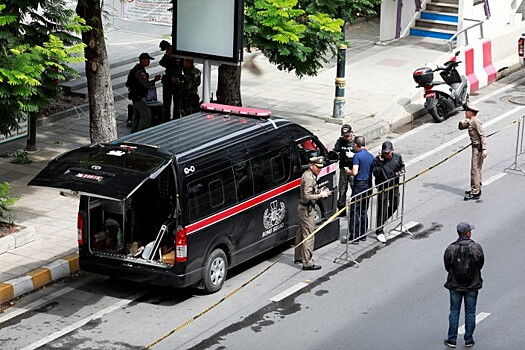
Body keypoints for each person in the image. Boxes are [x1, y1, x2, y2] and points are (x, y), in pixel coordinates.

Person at [443, 222, 484, 348]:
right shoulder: (476, 247)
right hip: (472, 285)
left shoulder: (451, 248)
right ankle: (469, 339)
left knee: (454, 312)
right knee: (470, 312)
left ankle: (452, 339)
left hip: (455, 285)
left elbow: (447, 265)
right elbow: (480, 264)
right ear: (468, 233)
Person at [294, 156, 331, 270]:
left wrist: (320, 191)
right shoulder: (309, 177)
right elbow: (307, 195)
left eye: (320, 167)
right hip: (307, 209)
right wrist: (321, 195)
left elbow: (309, 191)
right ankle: (307, 263)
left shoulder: (308, 174)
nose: (319, 169)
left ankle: (299, 256)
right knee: (309, 235)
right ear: (311, 165)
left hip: (303, 208)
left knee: (301, 233)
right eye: (317, 167)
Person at [372, 141, 405, 243]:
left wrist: (401, 171)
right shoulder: (377, 160)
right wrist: (381, 162)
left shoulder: (397, 157)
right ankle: (379, 230)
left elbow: (402, 166)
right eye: (384, 153)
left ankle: (383, 220)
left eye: (388, 153)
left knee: (395, 203)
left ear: (392, 151)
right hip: (383, 187)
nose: (386, 155)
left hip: (394, 185)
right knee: (382, 208)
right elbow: (375, 173)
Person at [345, 136, 374, 243]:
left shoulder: (357, 156)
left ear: (356, 145)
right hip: (368, 185)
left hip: (359, 185)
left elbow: (355, 172)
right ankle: (363, 234)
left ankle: (354, 235)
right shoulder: (371, 156)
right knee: (363, 210)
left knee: (354, 210)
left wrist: (348, 171)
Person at [458, 104, 487, 201]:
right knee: (477, 169)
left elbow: (482, 135)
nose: (465, 113)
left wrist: (484, 149)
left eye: (467, 111)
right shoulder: (472, 121)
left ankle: (475, 191)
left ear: (471, 112)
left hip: (478, 149)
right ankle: (477, 188)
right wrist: (464, 122)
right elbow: (461, 127)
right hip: (475, 148)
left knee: (475, 169)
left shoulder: (476, 122)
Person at [126, 53, 161, 133]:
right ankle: (142, 133)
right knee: (146, 115)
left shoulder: (136, 69)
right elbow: (145, 84)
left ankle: (133, 133)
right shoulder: (140, 72)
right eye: (147, 60)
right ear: (142, 60)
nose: (149, 62)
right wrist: (154, 80)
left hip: (135, 96)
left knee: (136, 116)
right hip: (139, 96)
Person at [159, 40, 183, 121]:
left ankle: (176, 119)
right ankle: (166, 120)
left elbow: (183, 66)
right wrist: (168, 56)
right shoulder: (167, 56)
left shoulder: (178, 55)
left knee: (177, 103)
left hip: (177, 81)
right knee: (166, 103)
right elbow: (162, 63)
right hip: (168, 81)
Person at [333, 124, 354, 216]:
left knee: (355, 189)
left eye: (348, 135)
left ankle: (355, 207)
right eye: (345, 136)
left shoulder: (356, 142)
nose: (347, 138)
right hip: (343, 169)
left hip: (353, 169)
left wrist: (354, 155)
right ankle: (341, 210)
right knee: (342, 190)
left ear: (352, 133)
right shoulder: (340, 141)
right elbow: (335, 152)